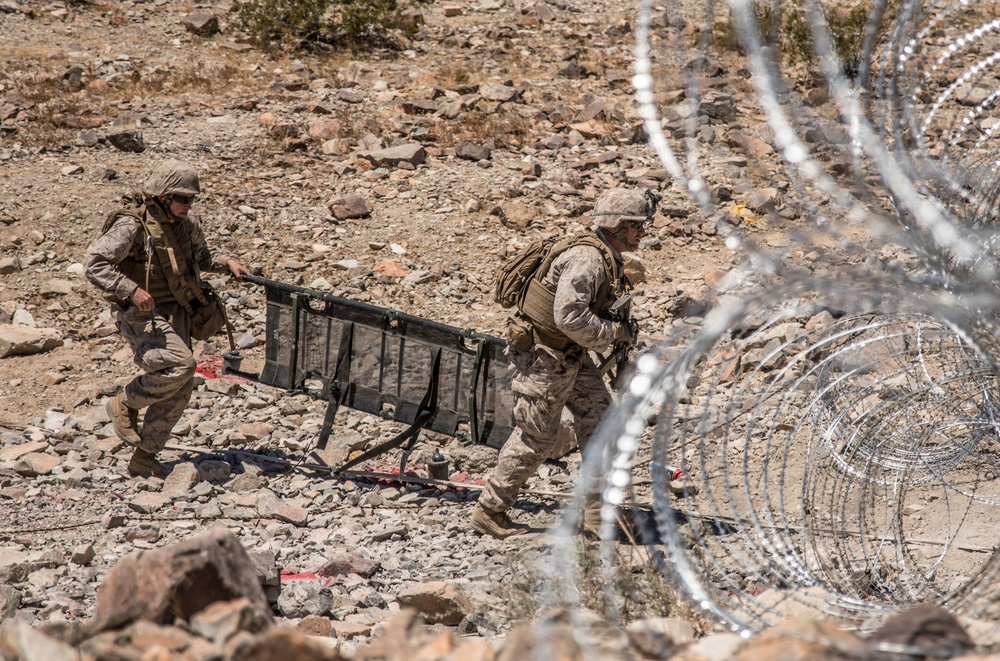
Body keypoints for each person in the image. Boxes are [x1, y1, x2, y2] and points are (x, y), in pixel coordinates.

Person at [471, 187, 650, 539]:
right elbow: (569, 317)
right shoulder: (587, 259)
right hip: (543, 357)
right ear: (616, 226)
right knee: (537, 438)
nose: (643, 232)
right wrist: (615, 333)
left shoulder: (603, 254)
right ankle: (490, 510)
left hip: (568, 354)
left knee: (601, 423)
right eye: (636, 225)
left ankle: (598, 515)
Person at [84, 159, 251, 478]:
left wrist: (227, 262)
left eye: (192, 199)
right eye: (183, 198)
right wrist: (130, 290)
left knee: (182, 383)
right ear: (162, 196)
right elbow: (94, 263)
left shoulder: (187, 224)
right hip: (141, 313)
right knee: (182, 365)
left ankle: (145, 457)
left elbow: (202, 258)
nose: (188, 204)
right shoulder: (133, 226)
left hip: (177, 312)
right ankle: (126, 401)